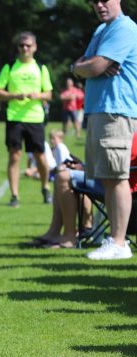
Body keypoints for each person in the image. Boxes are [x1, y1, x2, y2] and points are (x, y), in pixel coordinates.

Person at [71, 0, 137, 260]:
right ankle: (113, 239)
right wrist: (82, 67)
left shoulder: (125, 28)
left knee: (117, 178)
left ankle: (119, 243)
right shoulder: (101, 30)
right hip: (100, 111)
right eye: (93, 1)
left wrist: (90, 66)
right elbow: (85, 64)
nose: (98, 5)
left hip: (116, 111)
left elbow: (94, 66)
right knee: (108, 178)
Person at [0, 31, 54, 207]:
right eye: (22, 45)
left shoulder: (41, 68)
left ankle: (45, 187)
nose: (25, 48)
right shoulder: (9, 67)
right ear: (18, 48)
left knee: (40, 156)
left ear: (35, 47)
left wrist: (39, 95)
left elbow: (49, 94)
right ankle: (14, 195)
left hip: (35, 118)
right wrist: (15, 95)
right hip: (14, 117)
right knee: (15, 156)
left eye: (28, 45)